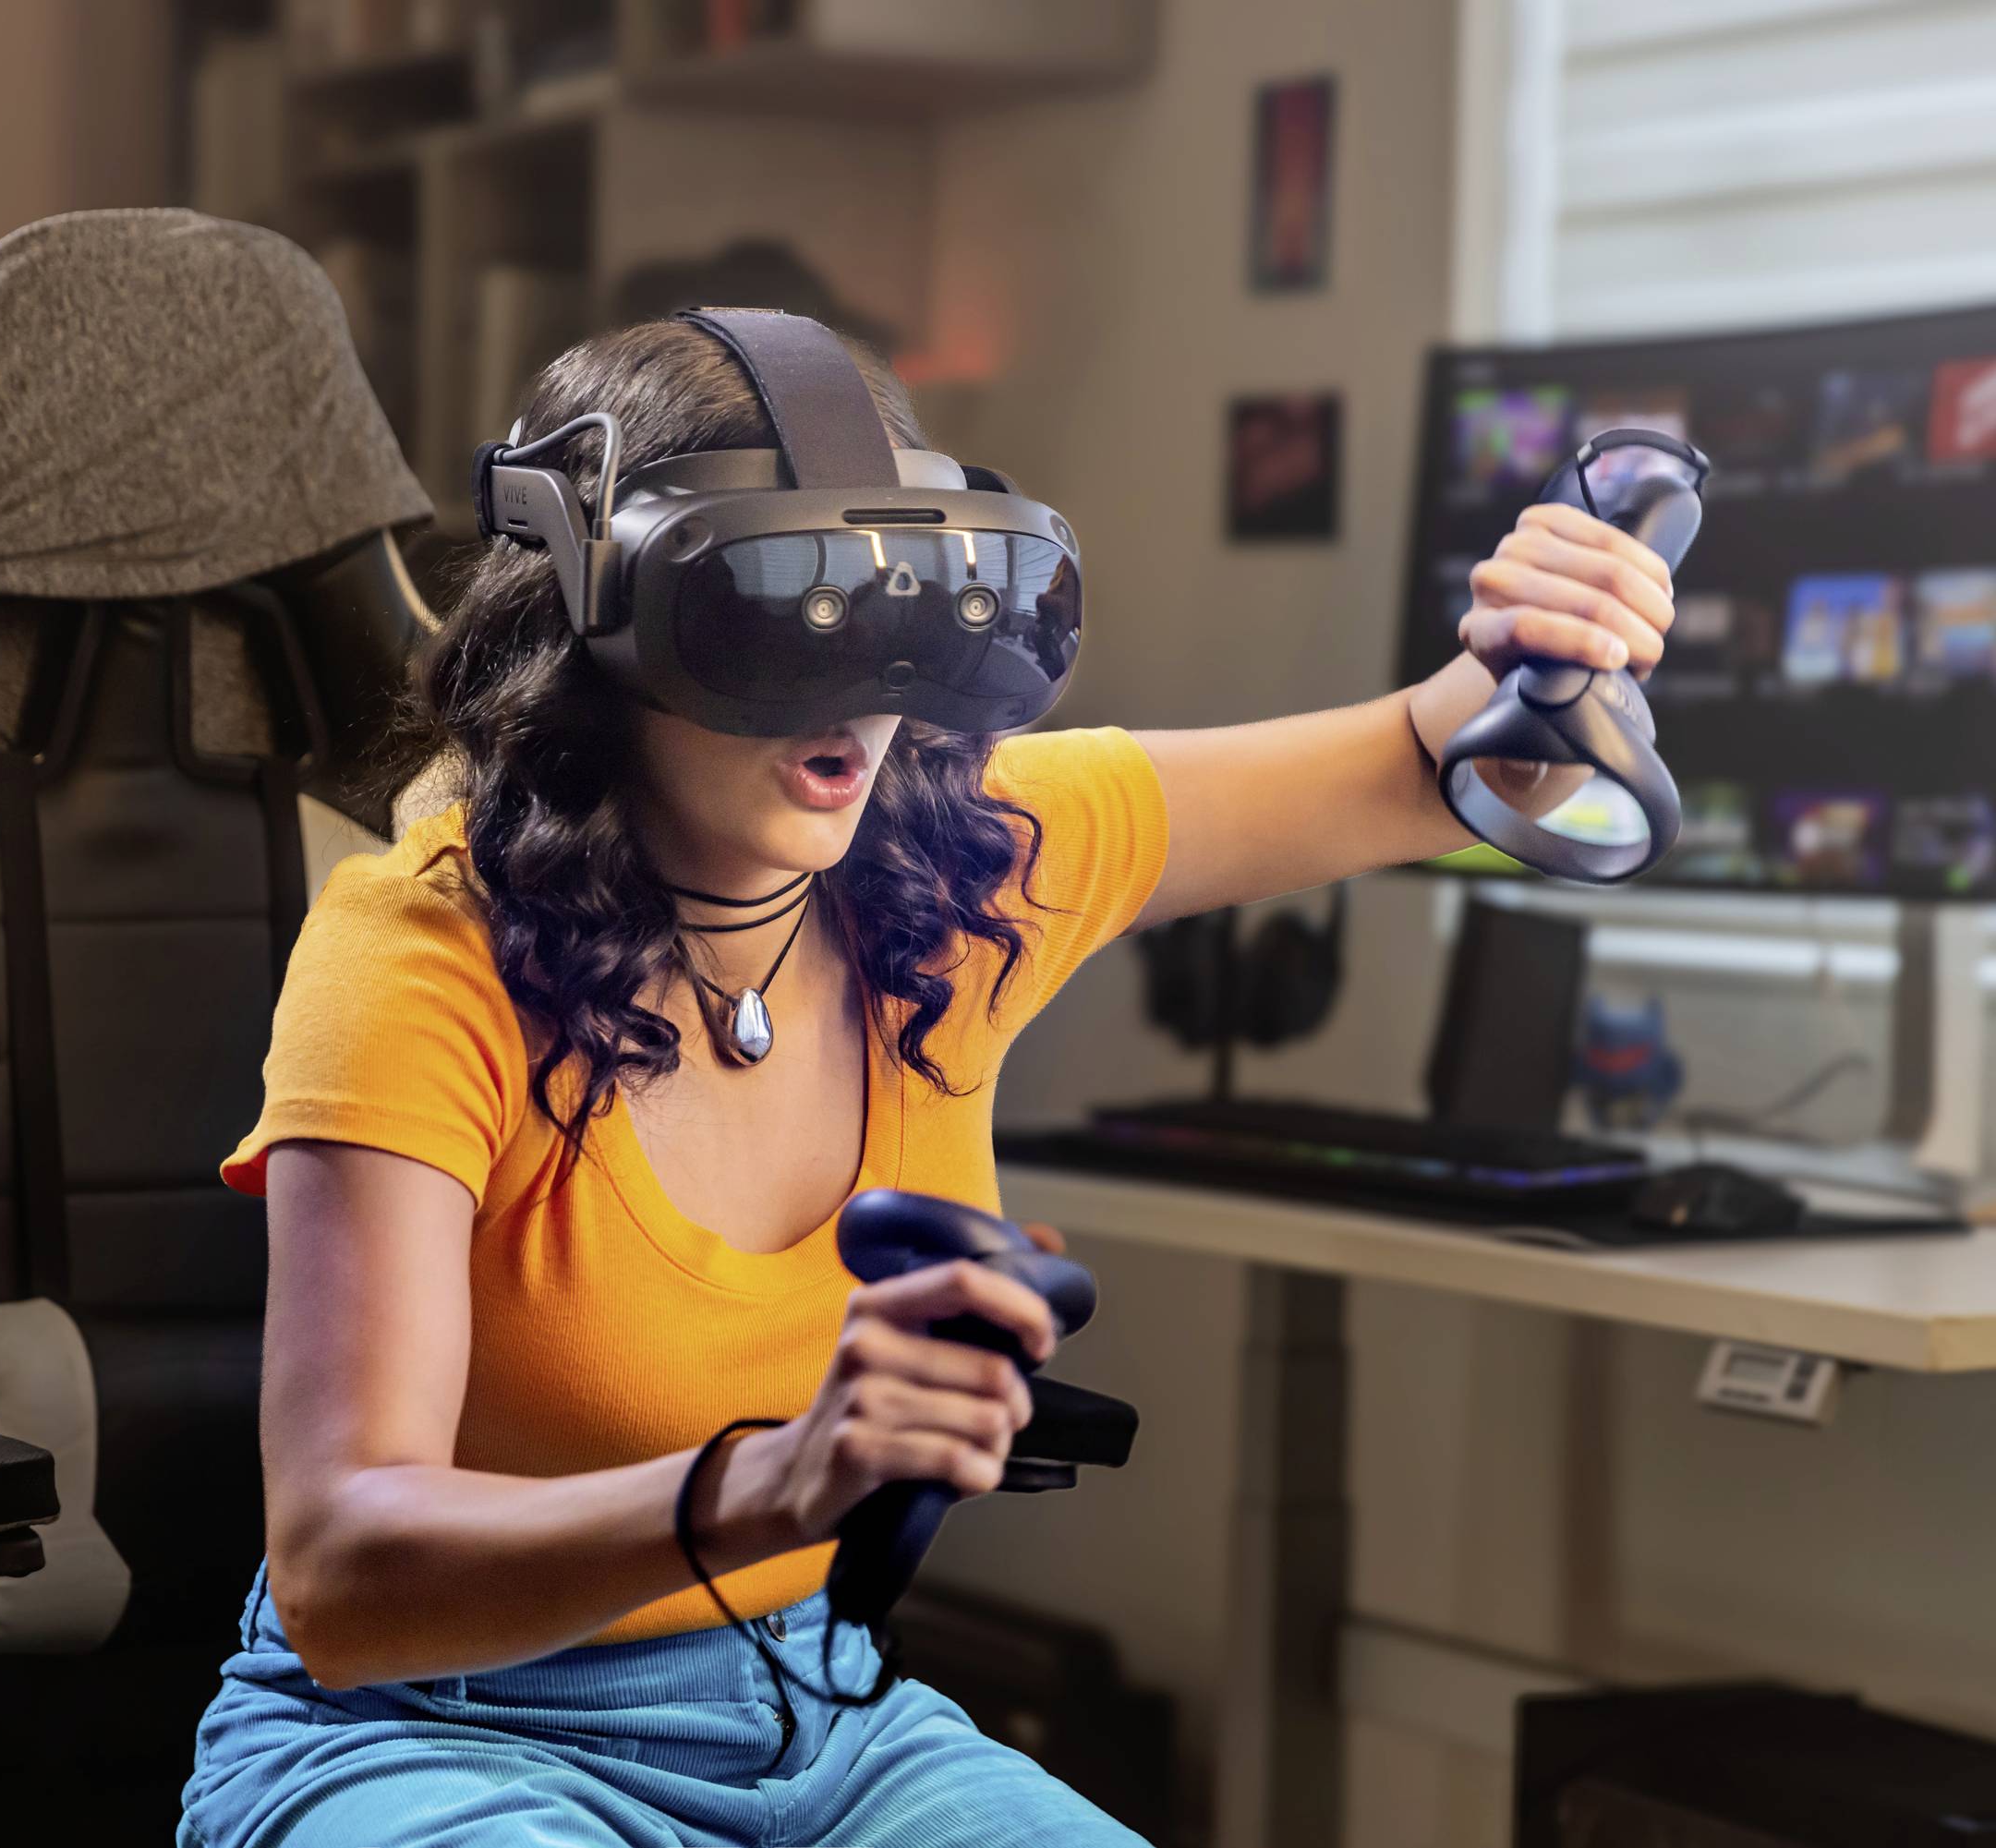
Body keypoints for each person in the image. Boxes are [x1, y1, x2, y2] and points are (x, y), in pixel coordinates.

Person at [181, 319, 1676, 1846]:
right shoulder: (421, 950)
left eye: (910, 613)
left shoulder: (961, 874)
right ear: (595, 614)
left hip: (821, 1715)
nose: (861, 699)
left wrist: (1542, 662)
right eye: (775, 612)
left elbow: (1442, 765)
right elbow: (343, 1576)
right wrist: (769, 1486)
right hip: (432, 1730)